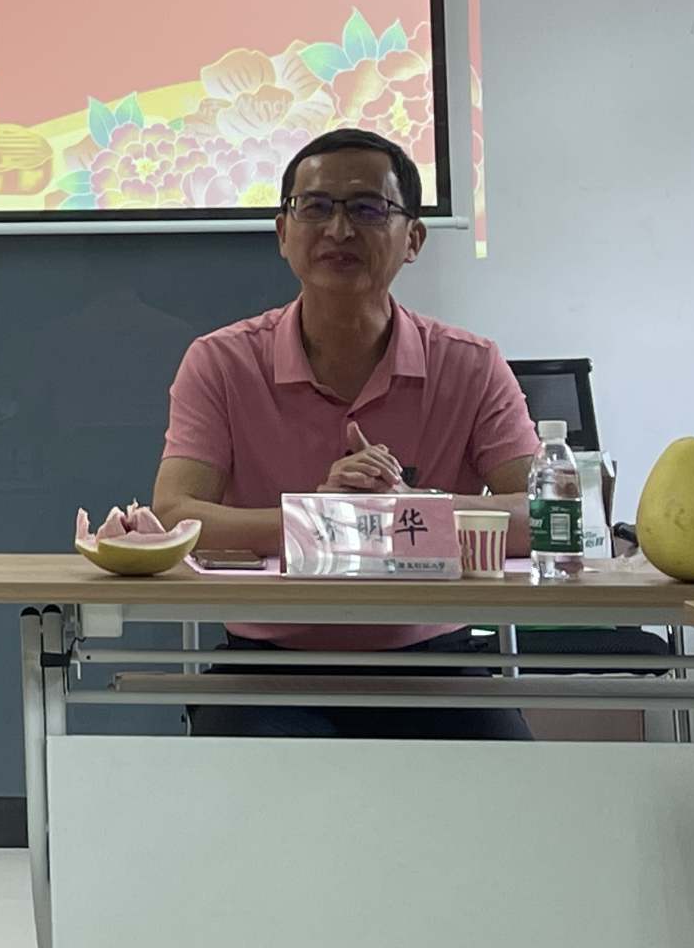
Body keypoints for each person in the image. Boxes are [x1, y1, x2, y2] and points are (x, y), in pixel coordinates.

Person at [152, 128, 540, 740]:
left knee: (510, 783)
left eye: (367, 208)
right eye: (314, 207)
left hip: (434, 660)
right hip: (269, 665)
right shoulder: (222, 361)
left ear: (413, 239)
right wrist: (322, 520)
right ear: (283, 233)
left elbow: (546, 516)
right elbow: (175, 514)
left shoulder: (470, 363)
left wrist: (405, 513)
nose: (338, 230)